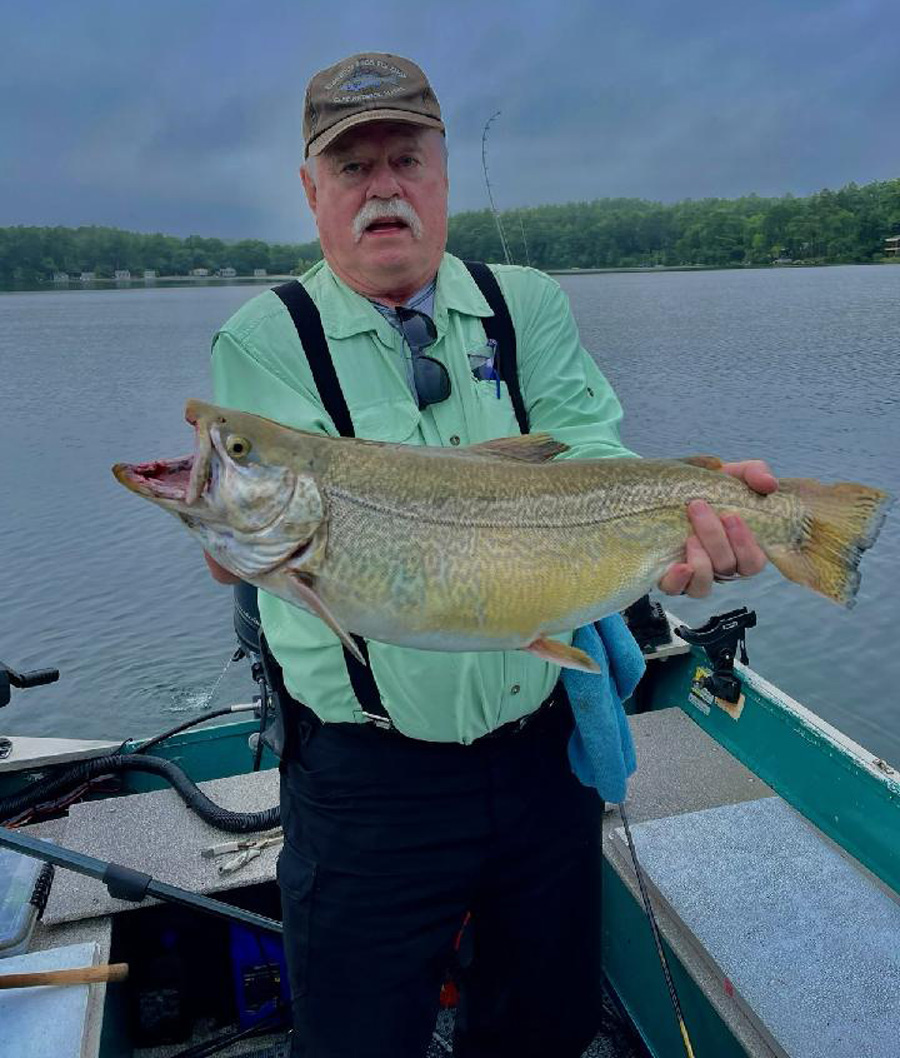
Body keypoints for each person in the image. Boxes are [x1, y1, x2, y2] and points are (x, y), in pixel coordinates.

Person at [205, 52, 775, 1058]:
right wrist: (232, 538)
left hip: (538, 761)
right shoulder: (263, 339)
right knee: (353, 1039)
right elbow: (264, 522)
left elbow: (596, 457)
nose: (382, 186)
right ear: (311, 189)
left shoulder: (528, 305)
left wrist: (681, 526)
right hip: (363, 783)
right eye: (352, 165)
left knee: (538, 1030)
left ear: (442, 175)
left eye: (405, 158)